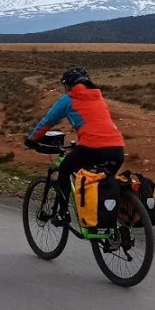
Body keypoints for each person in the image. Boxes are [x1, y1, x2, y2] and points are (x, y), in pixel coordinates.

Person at [23, 67, 125, 225]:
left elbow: (47, 122)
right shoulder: (99, 98)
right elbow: (98, 125)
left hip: (92, 148)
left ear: (69, 85)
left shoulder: (68, 99)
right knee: (104, 184)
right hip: (117, 148)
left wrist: (31, 140)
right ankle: (109, 224)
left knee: (64, 169)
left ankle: (63, 214)